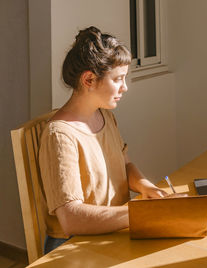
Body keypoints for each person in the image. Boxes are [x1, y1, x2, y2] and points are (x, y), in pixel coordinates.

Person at [38, 26, 169, 254]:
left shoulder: (105, 115)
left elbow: (125, 164)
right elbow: (71, 219)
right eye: (118, 79)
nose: (124, 87)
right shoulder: (60, 135)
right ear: (89, 79)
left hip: (112, 231)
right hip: (74, 246)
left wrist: (147, 187)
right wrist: (141, 213)